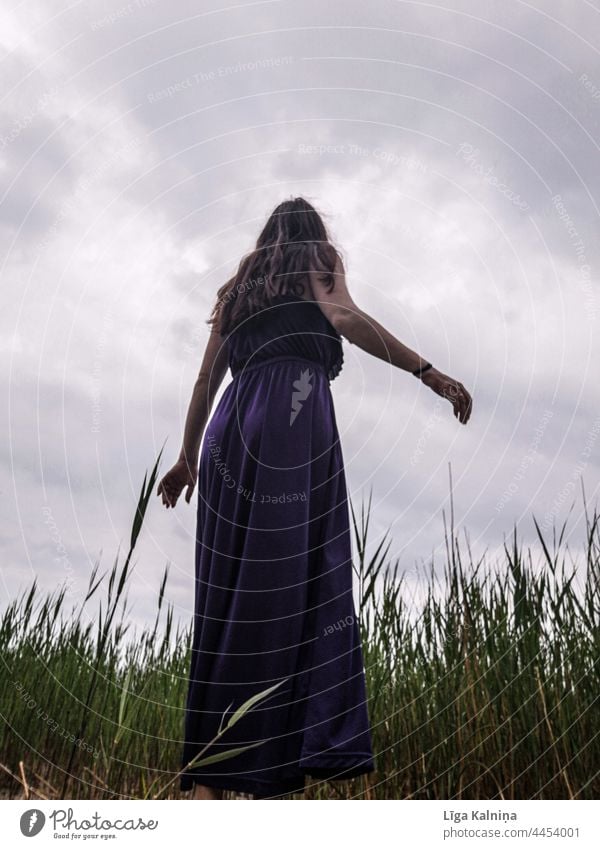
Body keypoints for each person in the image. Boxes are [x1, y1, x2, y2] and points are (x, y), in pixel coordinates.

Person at [157, 197, 472, 800]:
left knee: (229, 600)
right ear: (315, 238)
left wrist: (189, 456)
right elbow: (346, 319)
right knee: (288, 590)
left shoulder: (239, 289)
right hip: (288, 421)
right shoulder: (317, 261)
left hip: (229, 430)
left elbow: (205, 380)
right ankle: (260, 772)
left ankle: (212, 776)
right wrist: (425, 370)